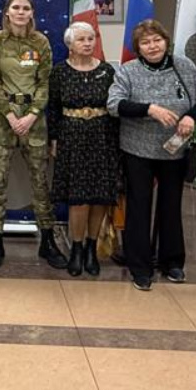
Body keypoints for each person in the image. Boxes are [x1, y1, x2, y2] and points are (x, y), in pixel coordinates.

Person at [107, 19, 196, 291]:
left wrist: (191, 116)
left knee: (170, 207)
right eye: (145, 42)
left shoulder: (184, 66)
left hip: (175, 151)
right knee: (139, 207)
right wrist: (149, 109)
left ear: (166, 42)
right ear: (138, 48)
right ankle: (139, 266)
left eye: (157, 40)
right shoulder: (128, 71)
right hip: (138, 150)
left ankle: (172, 262)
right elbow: (114, 105)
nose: (152, 46)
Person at [0, 0, 65, 269]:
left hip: (34, 120)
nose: (20, 12)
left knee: (40, 180)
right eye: (16, 7)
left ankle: (48, 240)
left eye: (25, 8)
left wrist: (31, 115)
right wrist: (9, 115)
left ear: (32, 13)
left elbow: (44, 83)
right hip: (3, 120)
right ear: (7, 12)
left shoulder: (40, 42)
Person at [47, 21, 119, 277]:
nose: (87, 43)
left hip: (102, 137)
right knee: (78, 197)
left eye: (91, 38)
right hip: (72, 137)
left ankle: (91, 247)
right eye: (81, 39)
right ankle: (76, 249)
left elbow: (115, 106)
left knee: (99, 196)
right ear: (70, 44)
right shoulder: (60, 72)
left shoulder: (107, 71)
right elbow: (53, 108)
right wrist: (53, 139)